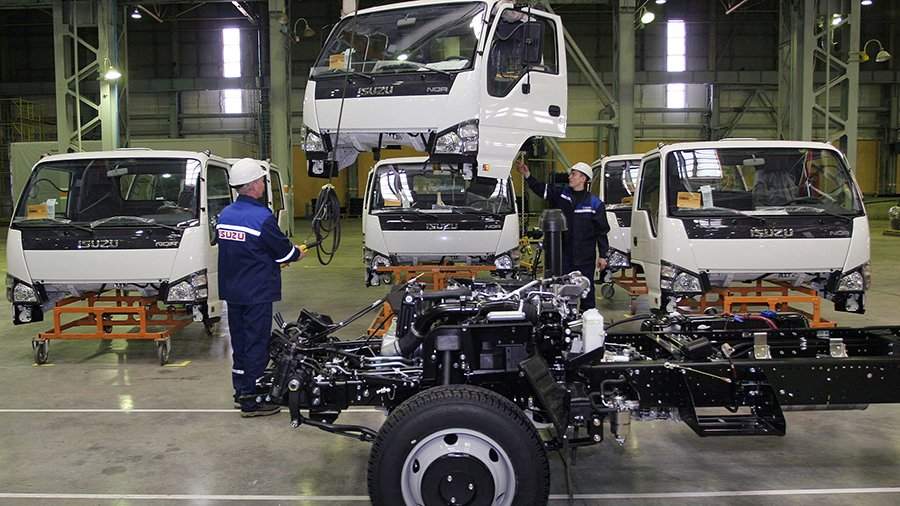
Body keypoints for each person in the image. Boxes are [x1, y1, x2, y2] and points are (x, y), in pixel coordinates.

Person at [217, 158, 305, 417]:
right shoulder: (262, 218)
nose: (263, 186)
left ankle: (241, 390)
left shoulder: (225, 215)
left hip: (233, 291)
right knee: (256, 343)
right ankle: (252, 399)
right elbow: (284, 252)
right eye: (262, 182)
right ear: (255, 184)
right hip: (256, 292)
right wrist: (296, 253)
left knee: (240, 342)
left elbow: (241, 250)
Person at [516, 159, 610, 310]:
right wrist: (527, 175)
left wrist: (603, 255)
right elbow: (541, 189)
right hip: (562, 255)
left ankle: (588, 317)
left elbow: (601, 231)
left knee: (587, 290)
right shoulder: (562, 194)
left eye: (574, 174)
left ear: (583, 178)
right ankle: (562, 318)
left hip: (585, 257)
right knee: (560, 290)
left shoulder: (595, 204)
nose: (570, 177)